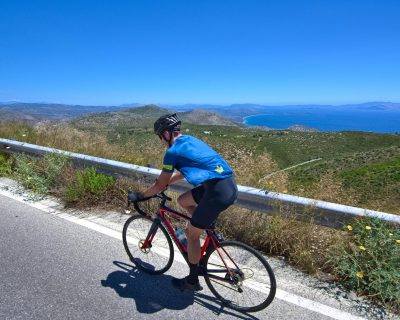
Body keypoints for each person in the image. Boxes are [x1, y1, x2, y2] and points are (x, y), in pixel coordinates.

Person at [129, 113, 238, 291]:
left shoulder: (172, 152)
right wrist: (168, 182)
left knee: (191, 233)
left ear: (166, 134)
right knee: (183, 200)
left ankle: (192, 280)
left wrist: (141, 195)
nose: (161, 141)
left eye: (160, 137)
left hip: (216, 192)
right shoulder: (189, 140)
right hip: (226, 185)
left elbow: (159, 184)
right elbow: (186, 171)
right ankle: (207, 227)